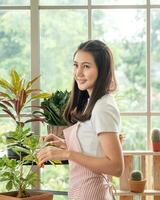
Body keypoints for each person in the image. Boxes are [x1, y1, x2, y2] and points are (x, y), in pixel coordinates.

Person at [37, 40, 124, 200]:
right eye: (76, 65)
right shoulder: (93, 103)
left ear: (102, 70)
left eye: (86, 66)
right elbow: (95, 149)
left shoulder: (103, 107)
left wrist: (67, 153)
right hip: (83, 192)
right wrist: (63, 144)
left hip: (92, 193)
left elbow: (116, 166)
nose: (78, 73)